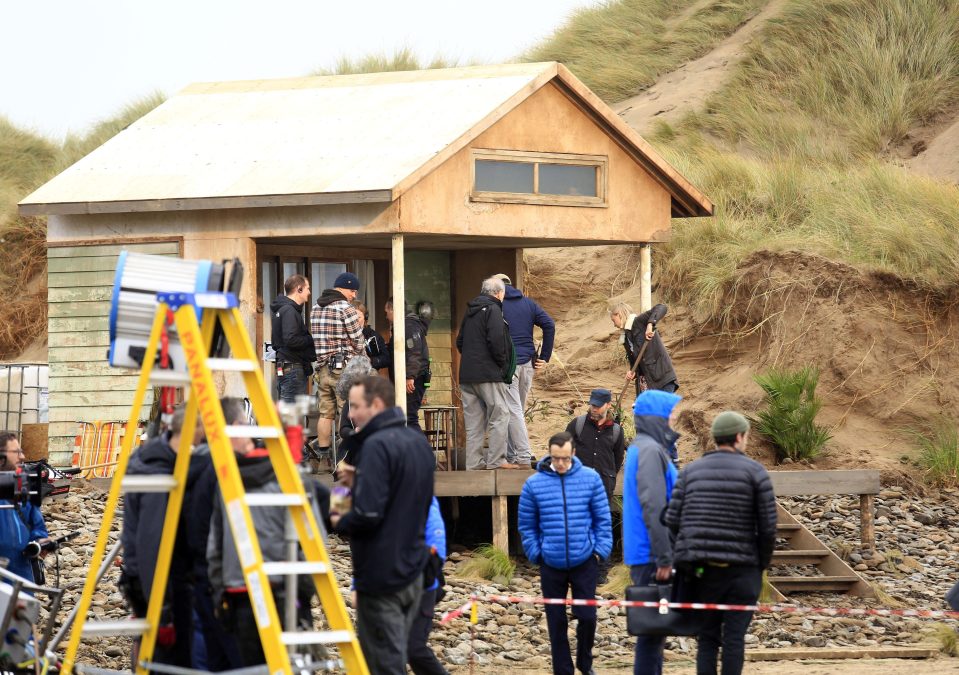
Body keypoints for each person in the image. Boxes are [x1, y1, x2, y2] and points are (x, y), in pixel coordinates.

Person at [207, 398, 329, 667]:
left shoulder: (226, 480)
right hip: (281, 588)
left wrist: (220, 590)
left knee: (253, 665)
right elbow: (317, 538)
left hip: (244, 589)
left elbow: (215, 545)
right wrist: (303, 591)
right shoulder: (289, 478)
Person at [331, 376, 435, 674]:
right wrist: (361, 480)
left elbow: (367, 515)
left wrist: (339, 501)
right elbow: (401, 495)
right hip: (413, 570)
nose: (350, 415)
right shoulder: (417, 442)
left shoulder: (376, 446)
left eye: (355, 406)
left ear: (376, 405)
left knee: (384, 665)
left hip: (381, 577)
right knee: (394, 656)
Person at [665, 412, 777, 675]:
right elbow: (768, 527)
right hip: (742, 570)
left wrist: (686, 553)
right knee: (734, 638)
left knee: (707, 639)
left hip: (702, 571)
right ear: (739, 437)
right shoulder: (755, 472)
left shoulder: (690, 471)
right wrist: (760, 565)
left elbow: (672, 520)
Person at [121, 407, 209, 668]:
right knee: (168, 660)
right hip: (162, 585)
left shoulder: (156, 460)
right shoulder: (158, 476)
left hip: (157, 582)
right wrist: (162, 613)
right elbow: (152, 545)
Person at [518, 431, 611, 675]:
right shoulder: (533, 484)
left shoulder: (591, 479)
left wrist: (600, 551)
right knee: (555, 621)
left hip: (585, 560)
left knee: (588, 617)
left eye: (565, 458)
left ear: (573, 454)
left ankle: (585, 663)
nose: (560, 463)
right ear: (549, 454)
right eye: (555, 458)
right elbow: (527, 525)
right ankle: (563, 670)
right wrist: (536, 553)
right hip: (551, 563)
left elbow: (603, 519)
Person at [622, 389, 682, 675]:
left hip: (650, 553)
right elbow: (654, 505)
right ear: (656, 417)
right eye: (670, 414)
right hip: (651, 556)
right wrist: (665, 558)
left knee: (655, 635)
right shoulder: (649, 450)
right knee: (651, 635)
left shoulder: (648, 447)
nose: (674, 419)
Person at [493, 273, 555, 468]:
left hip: (508, 364)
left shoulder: (497, 305)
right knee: (516, 409)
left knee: (513, 410)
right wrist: (544, 356)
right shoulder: (528, 304)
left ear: (498, 288)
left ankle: (524, 455)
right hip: (528, 363)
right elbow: (549, 325)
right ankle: (512, 455)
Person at [455, 277, 518, 470]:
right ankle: (497, 461)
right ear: (499, 293)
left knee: (474, 422)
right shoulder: (493, 310)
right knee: (500, 415)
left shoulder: (471, 310)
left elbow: (460, 342)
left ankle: (474, 464)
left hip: (467, 375)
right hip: (489, 374)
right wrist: (502, 365)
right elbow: (497, 341)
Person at [310, 272, 364, 460]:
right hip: (343, 370)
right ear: (342, 288)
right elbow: (358, 341)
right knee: (346, 413)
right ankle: (343, 459)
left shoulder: (315, 307)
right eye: (352, 290)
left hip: (322, 368)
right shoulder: (345, 308)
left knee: (325, 413)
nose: (354, 295)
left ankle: (322, 457)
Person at [407, 497, 448, 675]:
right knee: (389, 651)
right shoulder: (375, 497)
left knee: (414, 649)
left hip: (423, 585)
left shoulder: (424, 499)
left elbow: (437, 550)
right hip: (385, 586)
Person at [0, 432, 49, 582]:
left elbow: (38, 528)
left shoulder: (26, 490)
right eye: (16, 452)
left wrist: (42, 542)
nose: (22, 456)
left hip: (22, 580)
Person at [565, 388, 625, 501]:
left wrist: (608, 477)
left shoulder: (616, 431)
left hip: (603, 490)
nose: (594, 409)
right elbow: (564, 452)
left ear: (608, 405)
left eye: (598, 406)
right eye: (592, 405)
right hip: (577, 488)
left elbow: (617, 460)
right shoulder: (577, 424)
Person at [384, 297, 433, 431]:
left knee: (409, 417)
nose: (386, 316)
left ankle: (420, 450)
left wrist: (410, 376)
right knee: (404, 417)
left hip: (413, 379)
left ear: (393, 310)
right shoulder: (404, 325)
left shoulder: (409, 326)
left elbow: (414, 352)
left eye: (387, 312)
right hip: (410, 378)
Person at [609, 301, 678, 394]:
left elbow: (662, 307)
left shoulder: (640, 321)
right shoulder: (625, 337)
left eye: (614, 320)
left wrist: (650, 325)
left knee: (660, 408)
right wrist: (632, 372)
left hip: (662, 378)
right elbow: (635, 362)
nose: (614, 325)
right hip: (646, 383)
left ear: (619, 314)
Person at [269, 273, 316, 402]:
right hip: (293, 368)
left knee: (288, 411)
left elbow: (277, 342)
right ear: (299, 289)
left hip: (286, 366)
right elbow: (291, 339)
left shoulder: (282, 310)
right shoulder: (290, 311)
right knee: (292, 414)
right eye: (307, 288)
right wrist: (311, 340)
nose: (309, 292)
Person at [356, 302, 388, 370]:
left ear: (365, 318)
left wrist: (371, 360)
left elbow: (386, 358)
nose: (355, 320)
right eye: (352, 317)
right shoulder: (343, 334)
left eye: (358, 317)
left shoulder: (372, 335)